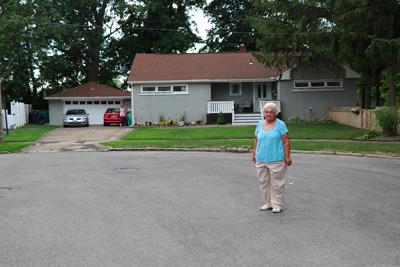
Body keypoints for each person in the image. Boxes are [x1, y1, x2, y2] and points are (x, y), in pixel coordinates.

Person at [252, 102, 292, 213]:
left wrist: (287, 156)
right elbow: (257, 140)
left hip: (276, 159)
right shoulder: (259, 124)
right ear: (263, 113)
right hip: (261, 159)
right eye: (266, 112)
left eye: (271, 112)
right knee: (263, 182)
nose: (269, 114)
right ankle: (268, 203)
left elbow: (286, 141)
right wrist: (254, 153)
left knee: (277, 183)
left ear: (275, 113)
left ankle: (277, 204)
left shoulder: (280, 124)